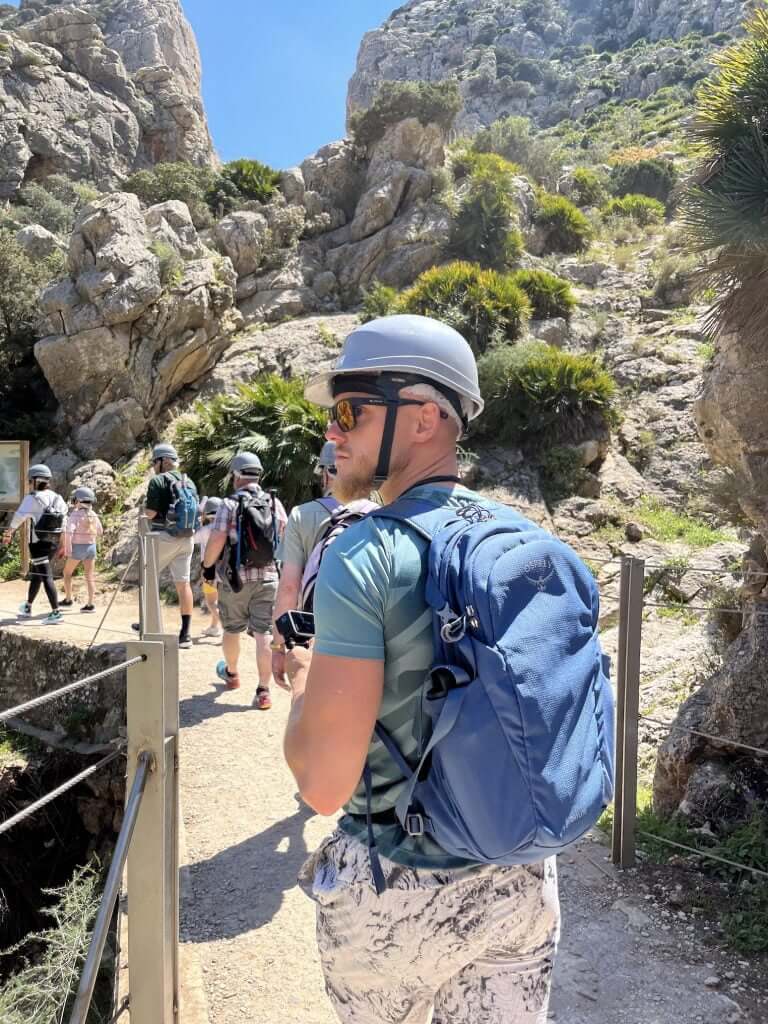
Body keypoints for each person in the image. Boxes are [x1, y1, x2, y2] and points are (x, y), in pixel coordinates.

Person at [282, 315, 561, 1024]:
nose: (333, 431)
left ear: (427, 417)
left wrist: (303, 678)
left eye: (351, 409)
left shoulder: (362, 555)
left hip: (398, 893)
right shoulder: (525, 537)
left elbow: (322, 785)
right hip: (524, 880)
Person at [271, 440, 375, 686]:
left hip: (315, 634)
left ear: (329, 472)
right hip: (366, 634)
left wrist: (278, 646)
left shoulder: (301, 515)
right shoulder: (380, 513)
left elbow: (288, 588)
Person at [201, 452, 286, 708]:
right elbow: (283, 534)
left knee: (232, 628)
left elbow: (217, 539)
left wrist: (207, 567)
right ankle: (263, 691)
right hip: (269, 576)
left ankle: (233, 673)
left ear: (236, 476)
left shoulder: (229, 504)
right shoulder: (273, 502)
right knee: (263, 633)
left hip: (236, 578)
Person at [142, 442, 199, 650]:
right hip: (187, 538)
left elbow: (151, 513)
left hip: (164, 537)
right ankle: (185, 635)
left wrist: (144, 510)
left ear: (161, 461)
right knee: (183, 584)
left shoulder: (157, 481)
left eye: (154, 462)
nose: (153, 466)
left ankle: (148, 624)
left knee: (148, 577)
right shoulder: (189, 482)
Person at [2, 463, 68, 625]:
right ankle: (28, 606)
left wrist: (8, 533)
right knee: (38, 575)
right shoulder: (57, 497)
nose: (29, 483)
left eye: (30, 480)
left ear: (35, 481)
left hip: (38, 543)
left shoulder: (32, 498)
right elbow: (64, 521)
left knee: (45, 576)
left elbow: (19, 517)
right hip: (53, 542)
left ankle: (56, 612)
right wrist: (63, 544)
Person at [61, 486, 103, 612]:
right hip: (91, 547)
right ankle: (90, 605)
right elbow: (100, 531)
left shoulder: (74, 514)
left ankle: (68, 600)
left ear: (78, 501)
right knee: (89, 576)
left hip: (77, 548)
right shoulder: (93, 514)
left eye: (74, 500)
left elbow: (69, 532)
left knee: (67, 573)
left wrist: (68, 550)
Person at [194, 496, 223, 639]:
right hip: (225, 570)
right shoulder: (226, 529)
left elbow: (192, 539)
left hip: (209, 570)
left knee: (211, 601)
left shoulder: (205, 530)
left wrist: (198, 518)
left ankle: (225, 627)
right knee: (218, 600)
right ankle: (213, 627)